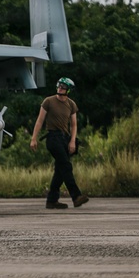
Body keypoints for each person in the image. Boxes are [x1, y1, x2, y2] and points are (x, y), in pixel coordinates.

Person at [30, 78, 89, 209]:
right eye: (59, 86)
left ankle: (52, 201)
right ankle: (76, 196)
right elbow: (40, 121)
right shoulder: (48, 101)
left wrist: (72, 141)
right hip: (53, 137)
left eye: (63, 87)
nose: (60, 88)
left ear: (68, 90)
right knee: (66, 166)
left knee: (60, 170)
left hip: (65, 139)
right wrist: (34, 138)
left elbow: (74, 125)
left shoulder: (71, 104)